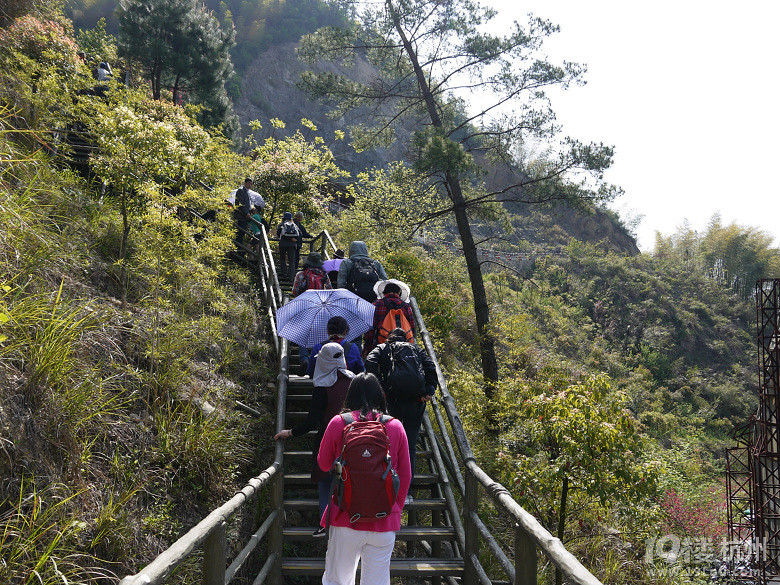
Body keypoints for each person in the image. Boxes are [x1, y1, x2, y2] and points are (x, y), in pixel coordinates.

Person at [317, 373, 411, 585]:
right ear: (380, 394)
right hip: (384, 519)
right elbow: (405, 474)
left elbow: (323, 465)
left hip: (344, 517)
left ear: (350, 395)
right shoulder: (395, 426)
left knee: (337, 581)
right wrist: (395, 507)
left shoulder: (339, 422)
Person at [274, 343, 355, 537]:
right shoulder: (354, 380)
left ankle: (325, 523)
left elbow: (311, 421)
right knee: (351, 480)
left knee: (326, 480)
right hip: (354, 439)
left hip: (328, 439)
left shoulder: (323, 386)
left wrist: (291, 432)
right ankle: (350, 522)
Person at [365, 328, 437, 488]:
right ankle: (406, 489)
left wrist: (379, 386)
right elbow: (431, 366)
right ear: (406, 338)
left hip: (391, 399)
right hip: (415, 400)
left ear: (389, 337)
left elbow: (370, 361)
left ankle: (387, 485)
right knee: (410, 445)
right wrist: (430, 390)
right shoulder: (415, 348)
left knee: (387, 442)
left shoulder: (382, 347)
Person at [291, 252, 332, 373]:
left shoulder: (301, 274)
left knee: (303, 333)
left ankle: (304, 358)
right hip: (320, 307)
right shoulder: (324, 275)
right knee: (320, 334)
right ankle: (318, 359)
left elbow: (295, 291)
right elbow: (329, 291)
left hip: (305, 306)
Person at [363, 279, 415, 357]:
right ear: (399, 293)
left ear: (384, 293)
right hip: (402, 346)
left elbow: (370, 329)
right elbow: (412, 327)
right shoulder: (406, 307)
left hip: (381, 345)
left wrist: (368, 347)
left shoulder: (376, 304)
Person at [276, 212, 300, 280]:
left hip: (283, 243)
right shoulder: (294, 225)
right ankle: (291, 277)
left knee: (282, 259)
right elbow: (299, 234)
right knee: (292, 261)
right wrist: (293, 239)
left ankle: (284, 274)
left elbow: (278, 233)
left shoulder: (282, 224)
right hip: (292, 245)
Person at [234, 178, 254, 249]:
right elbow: (241, 204)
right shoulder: (241, 190)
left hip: (245, 216)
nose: (250, 185)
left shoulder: (247, 192)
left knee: (242, 233)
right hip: (241, 215)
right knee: (240, 233)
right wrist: (246, 213)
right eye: (249, 183)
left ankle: (238, 248)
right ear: (245, 183)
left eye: (251, 184)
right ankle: (237, 248)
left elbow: (246, 205)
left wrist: (250, 210)